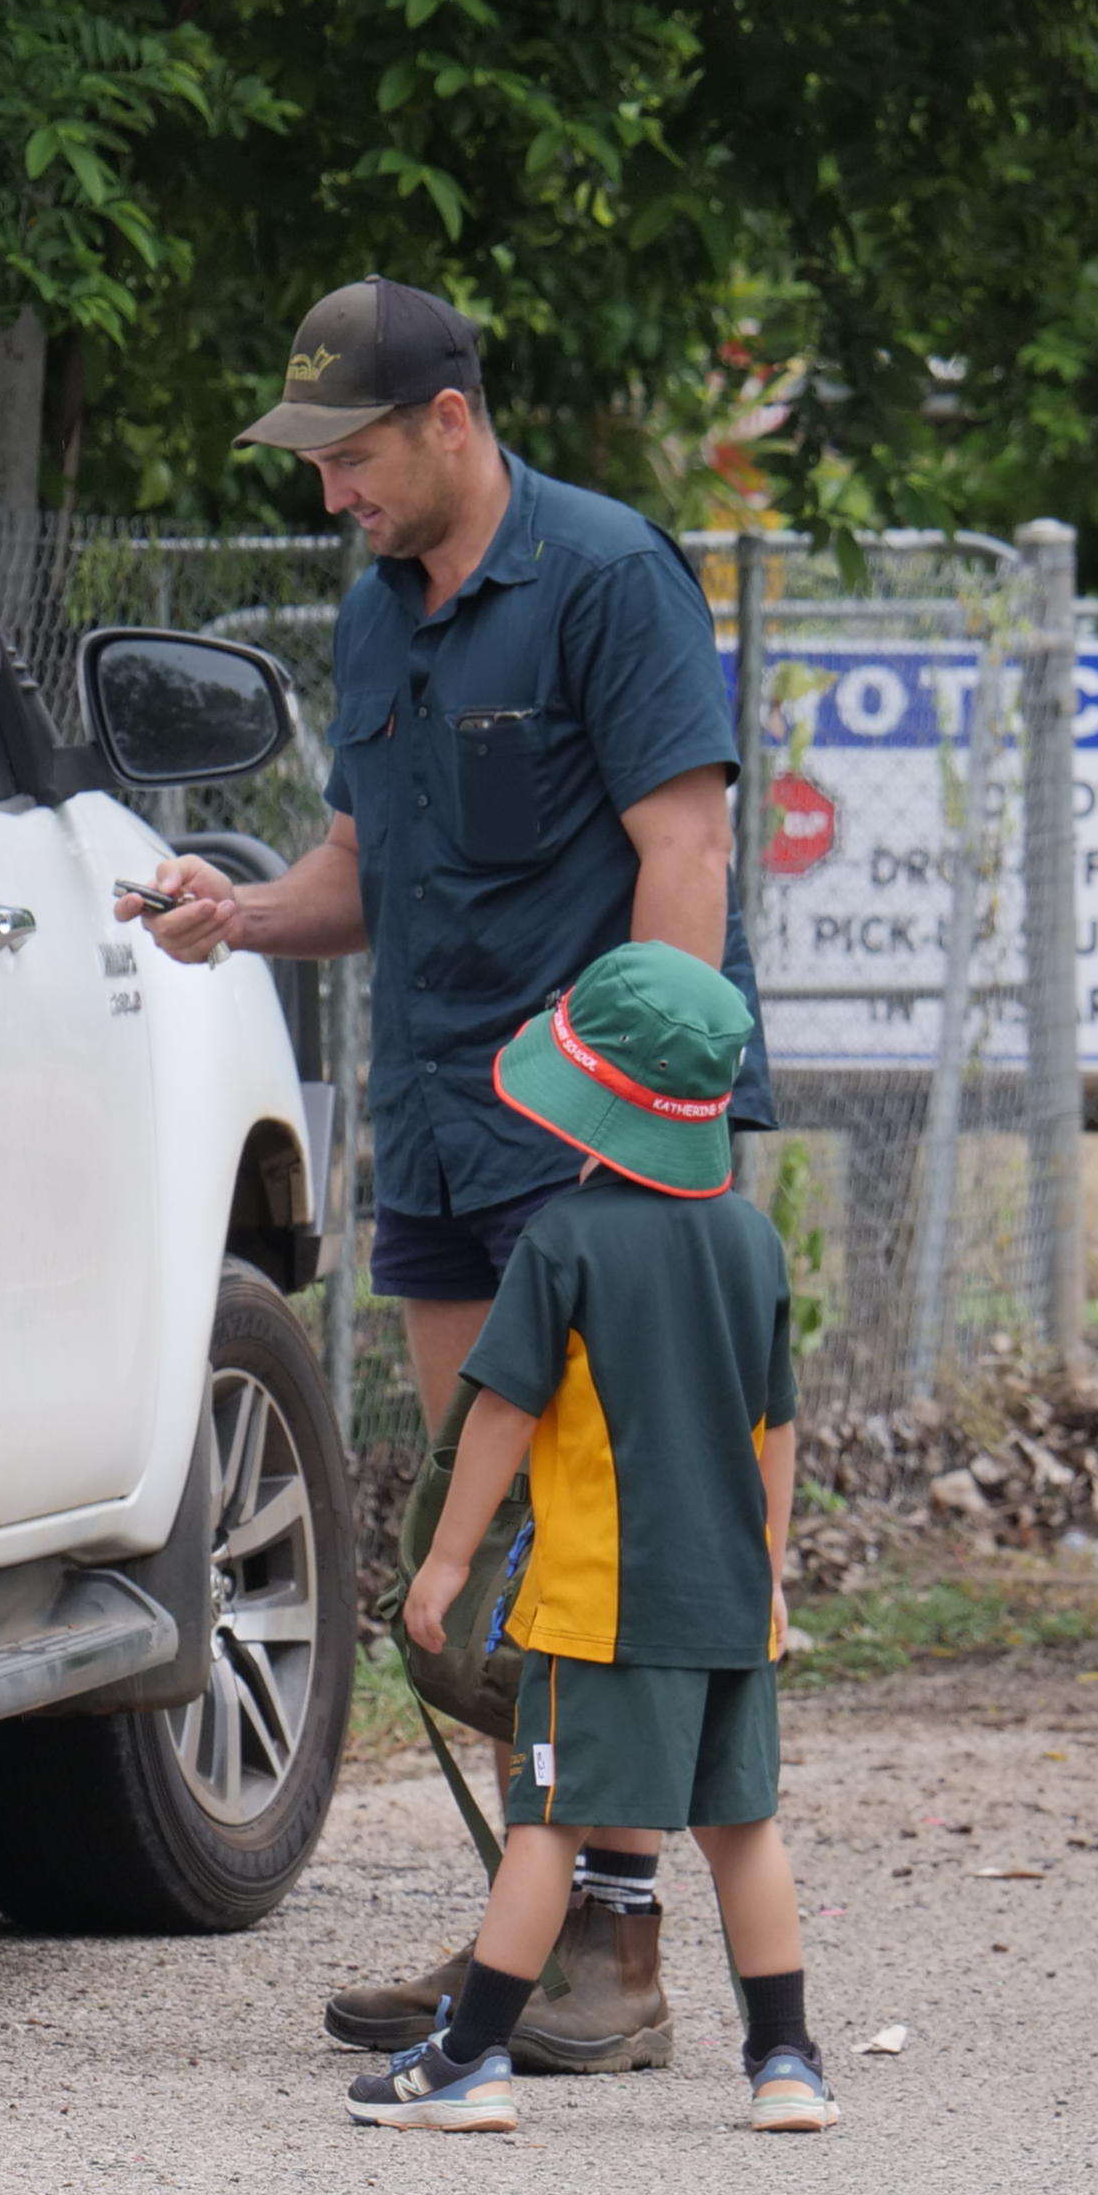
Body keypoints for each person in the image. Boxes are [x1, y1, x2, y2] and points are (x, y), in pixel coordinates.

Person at [141, 275, 764, 2075]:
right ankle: (533, 1934)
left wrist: (645, 1152)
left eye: (349, 458)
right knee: (489, 1566)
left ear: (449, 423)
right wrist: (238, 916)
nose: (331, 493)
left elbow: (687, 850)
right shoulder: (383, 613)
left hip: (587, 1146)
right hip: (437, 1139)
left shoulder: (605, 577)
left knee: (600, 1554)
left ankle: (619, 1959)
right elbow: (365, 869)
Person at [340, 943, 825, 2134]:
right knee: (741, 1831)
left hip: (597, 1608)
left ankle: (464, 2062)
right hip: (726, 1607)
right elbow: (778, 1430)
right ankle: (786, 2064)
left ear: (592, 1104)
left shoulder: (564, 1241)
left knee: (545, 1825)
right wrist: (770, 1577)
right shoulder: (752, 1245)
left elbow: (499, 1407)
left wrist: (447, 1564)